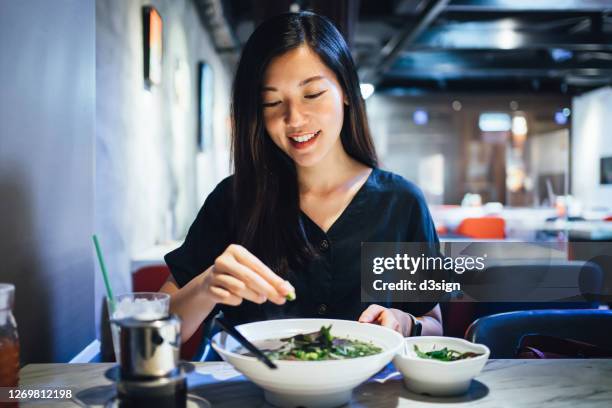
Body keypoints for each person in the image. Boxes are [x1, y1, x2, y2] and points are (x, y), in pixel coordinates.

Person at [160, 11, 443, 344]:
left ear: (347, 91)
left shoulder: (400, 202)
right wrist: (206, 286)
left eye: (312, 94)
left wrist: (403, 321)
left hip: (369, 394)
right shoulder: (234, 199)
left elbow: (435, 322)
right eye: (272, 102)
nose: (294, 119)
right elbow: (155, 335)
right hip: (255, 393)